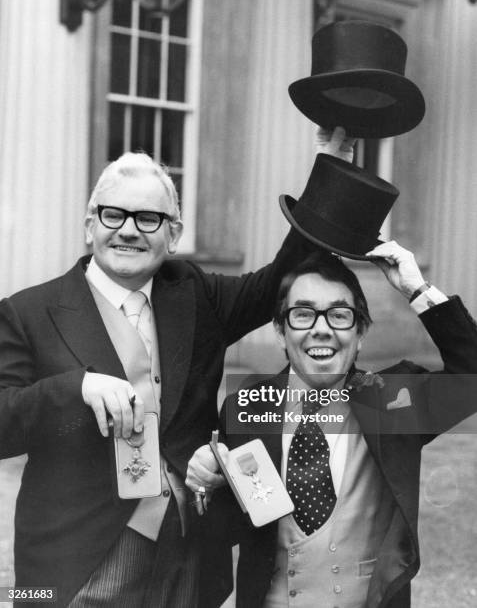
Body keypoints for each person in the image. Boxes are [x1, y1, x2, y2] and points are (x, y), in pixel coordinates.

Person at [0, 130, 351, 607]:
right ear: (89, 225)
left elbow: (281, 277)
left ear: (174, 233)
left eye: (148, 218)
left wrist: (330, 170)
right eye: (113, 214)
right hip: (78, 562)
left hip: (187, 549)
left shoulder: (195, 294)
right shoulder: (28, 311)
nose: (127, 230)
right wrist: (73, 389)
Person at [186, 242, 477, 608]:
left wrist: (415, 289)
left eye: (339, 315)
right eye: (303, 315)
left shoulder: (392, 402)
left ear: (360, 334)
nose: (321, 330)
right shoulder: (245, 408)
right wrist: (206, 483)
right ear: (280, 331)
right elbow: (228, 525)